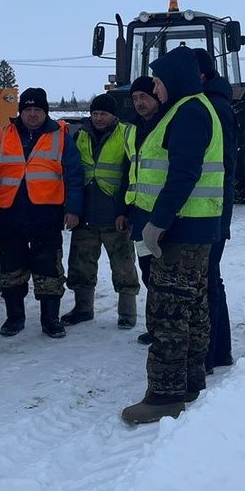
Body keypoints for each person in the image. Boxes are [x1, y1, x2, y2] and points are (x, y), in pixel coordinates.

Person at [121, 48, 224, 425]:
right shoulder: (190, 109)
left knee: (167, 312)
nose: (157, 89)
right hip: (193, 227)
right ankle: (191, 381)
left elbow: (183, 174)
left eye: (160, 82)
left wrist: (157, 222)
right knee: (191, 306)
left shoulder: (189, 112)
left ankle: (164, 396)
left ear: (176, 79)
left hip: (180, 230)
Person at [0, 87, 83, 339]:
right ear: (20, 111)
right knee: (11, 269)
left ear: (45, 112)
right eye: (28, 109)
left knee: (48, 268)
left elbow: (74, 174)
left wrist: (73, 209)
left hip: (46, 214)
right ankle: (14, 317)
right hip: (8, 213)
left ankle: (50, 320)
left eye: (38, 109)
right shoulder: (2, 134)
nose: (33, 114)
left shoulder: (60, 135)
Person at [62, 93, 140, 329]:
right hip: (86, 214)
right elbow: (73, 174)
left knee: (124, 266)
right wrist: (72, 208)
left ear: (113, 115)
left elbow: (131, 174)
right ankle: (83, 309)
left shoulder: (127, 134)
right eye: (95, 113)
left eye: (103, 113)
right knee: (80, 265)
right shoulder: (81, 135)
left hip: (114, 214)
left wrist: (125, 211)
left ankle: (127, 314)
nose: (98, 118)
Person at [192, 49, 237, 373]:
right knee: (210, 276)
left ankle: (211, 353)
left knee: (207, 277)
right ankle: (219, 351)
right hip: (213, 206)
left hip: (210, 208)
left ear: (202, 75)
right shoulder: (214, 103)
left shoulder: (212, 108)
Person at [126, 76, 164, 345]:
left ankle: (166, 328)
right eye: (135, 98)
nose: (140, 103)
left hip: (163, 215)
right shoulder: (132, 130)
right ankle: (154, 326)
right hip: (139, 214)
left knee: (165, 275)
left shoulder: (167, 125)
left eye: (145, 97)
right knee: (148, 272)